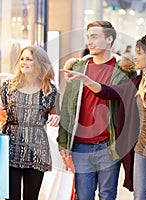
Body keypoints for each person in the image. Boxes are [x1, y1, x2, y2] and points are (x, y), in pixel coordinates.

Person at [61, 34, 146, 199]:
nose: (135, 57)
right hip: (141, 150)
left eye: (140, 53)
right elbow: (109, 92)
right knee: (140, 196)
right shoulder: (137, 82)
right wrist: (84, 79)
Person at [57, 20, 136, 200]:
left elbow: (127, 102)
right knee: (84, 196)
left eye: (94, 37)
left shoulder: (123, 69)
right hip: (81, 145)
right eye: (88, 38)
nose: (89, 42)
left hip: (109, 144)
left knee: (107, 195)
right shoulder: (78, 67)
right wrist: (63, 141)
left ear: (109, 40)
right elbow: (68, 106)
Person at [0, 45, 60, 200]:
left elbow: (56, 115)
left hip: (37, 148)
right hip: (10, 147)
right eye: (22, 59)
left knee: (31, 197)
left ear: (39, 63)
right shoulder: (9, 87)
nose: (24, 62)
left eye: (29, 59)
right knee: (11, 196)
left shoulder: (49, 90)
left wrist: (56, 118)